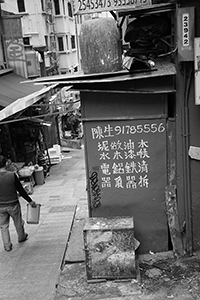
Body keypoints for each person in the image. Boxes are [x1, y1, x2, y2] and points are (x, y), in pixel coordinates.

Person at [0, 155, 37, 252]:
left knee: (3, 226)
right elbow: (21, 190)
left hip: (1, 206)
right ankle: (21, 237)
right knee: (18, 222)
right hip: (13, 204)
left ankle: (7, 245)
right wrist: (30, 201)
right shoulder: (12, 175)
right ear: (6, 163)